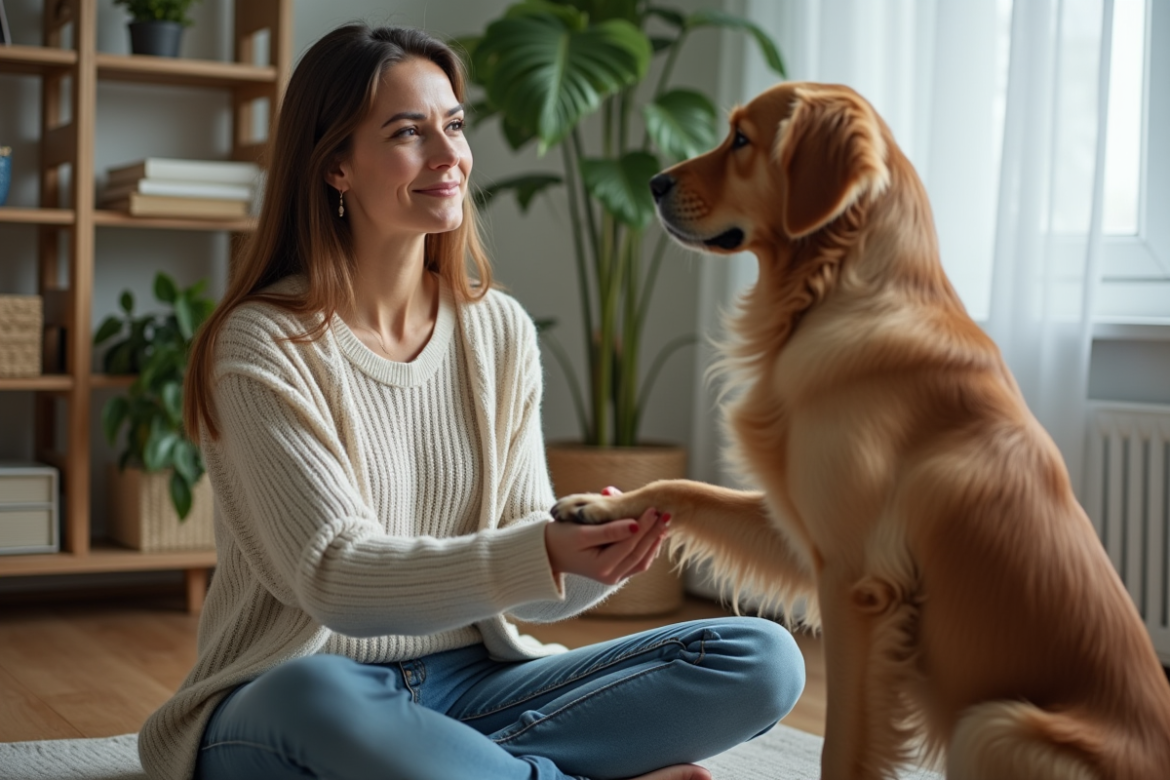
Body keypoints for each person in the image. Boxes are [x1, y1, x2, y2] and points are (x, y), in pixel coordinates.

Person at [142, 23, 806, 780]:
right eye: (408, 132)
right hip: (291, 694)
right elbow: (334, 579)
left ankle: (464, 766)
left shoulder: (497, 330)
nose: (449, 155)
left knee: (759, 656)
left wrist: (593, 560)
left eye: (453, 125)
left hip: (474, 686)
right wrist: (538, 553)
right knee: (316, 693)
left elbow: (529, 560)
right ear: (335, 168)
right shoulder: (263, 343)